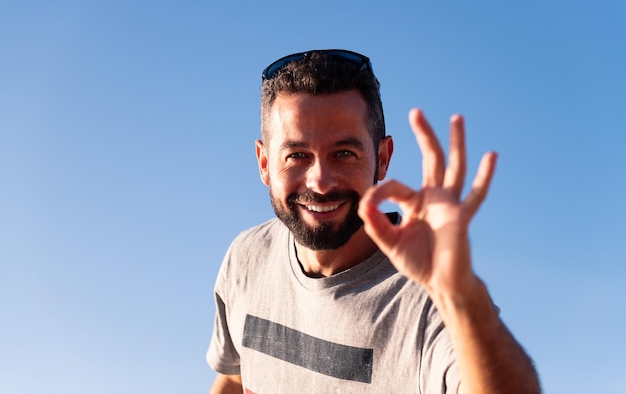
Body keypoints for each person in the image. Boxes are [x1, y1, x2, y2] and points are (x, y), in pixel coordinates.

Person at [207, 49, 541, 394]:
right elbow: (235, 379)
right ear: (264, 163)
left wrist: (459, 295)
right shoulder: (246, 259)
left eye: (344, 154)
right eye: (297, 156)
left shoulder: (427, 298)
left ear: (382, 159)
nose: (320, 181)